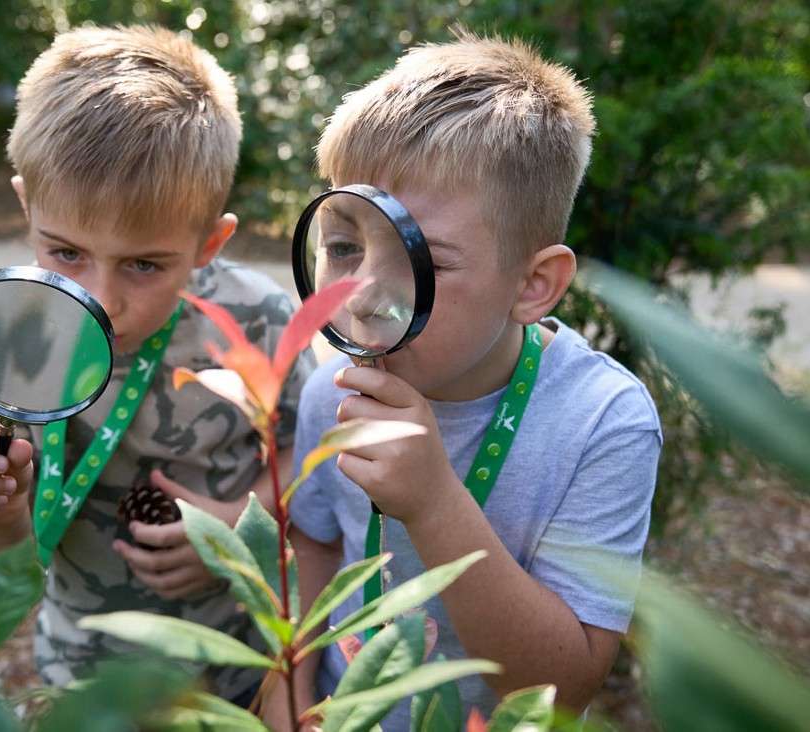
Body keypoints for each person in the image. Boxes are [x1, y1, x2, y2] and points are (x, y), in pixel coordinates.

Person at [282, 30, 662, 727]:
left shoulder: (604, 422)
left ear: (533, 285)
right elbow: (315, 540)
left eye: (422, 259)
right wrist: (288, 685)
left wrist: (432, 503)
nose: (361, 295)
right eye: (342, 245)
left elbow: (565, 686)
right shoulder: (331, 388)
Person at [0, 25, 314, 704]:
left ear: (209, 242)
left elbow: (307, 467)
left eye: (143, 264)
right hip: (82, 679)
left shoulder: (255, 321)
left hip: (237, 674)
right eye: (66, 252)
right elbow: (9, 541)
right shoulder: (15, 331)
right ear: (27, 205)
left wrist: (237, 528)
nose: (102, 300)